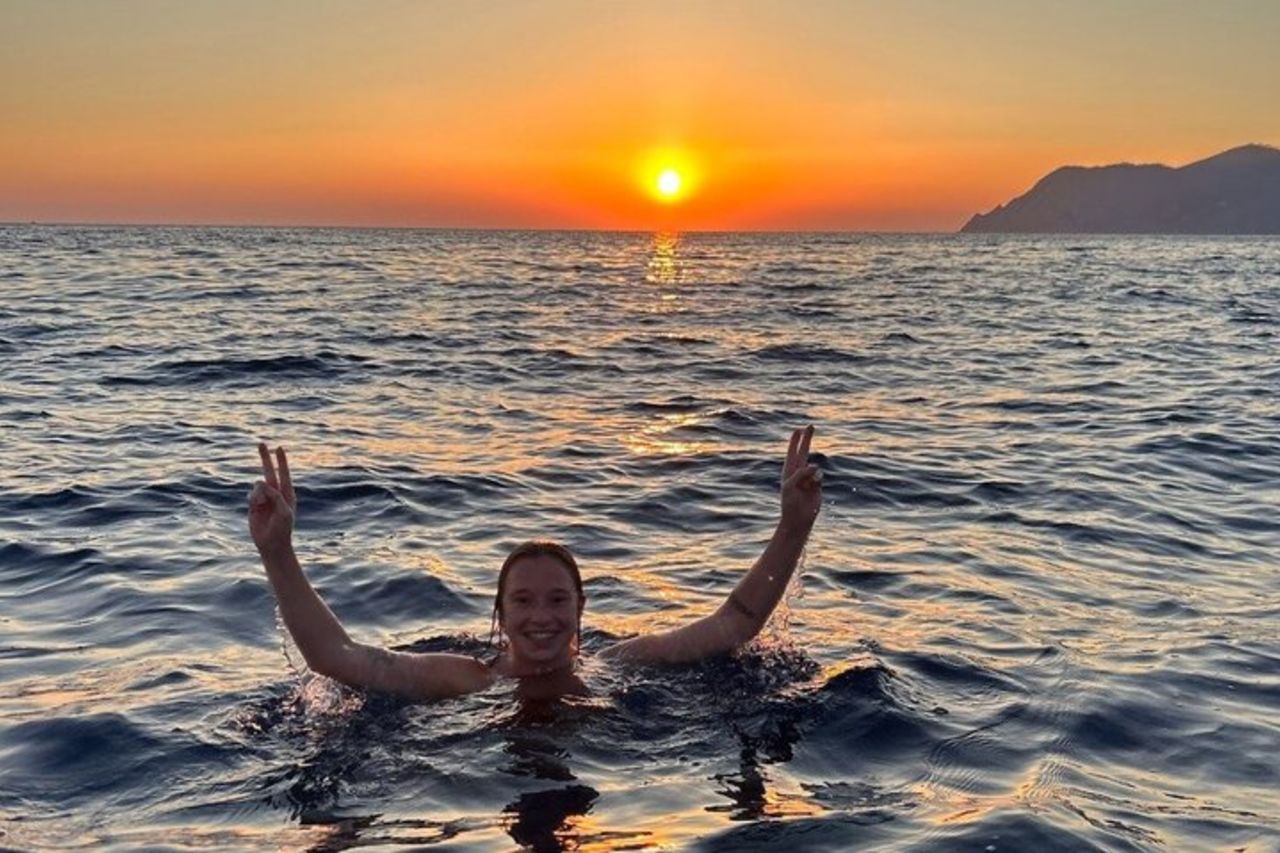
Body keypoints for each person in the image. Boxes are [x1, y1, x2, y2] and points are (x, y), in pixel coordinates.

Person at [248, 426, 822, 701]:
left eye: (556, 599)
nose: (540, 616)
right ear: (499, 612)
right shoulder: (465, 680)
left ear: (581, 608)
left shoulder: (620, 666)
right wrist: (279, 553)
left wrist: (792, 525)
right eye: (522, 601)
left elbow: (736, 622)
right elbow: (338, 657)